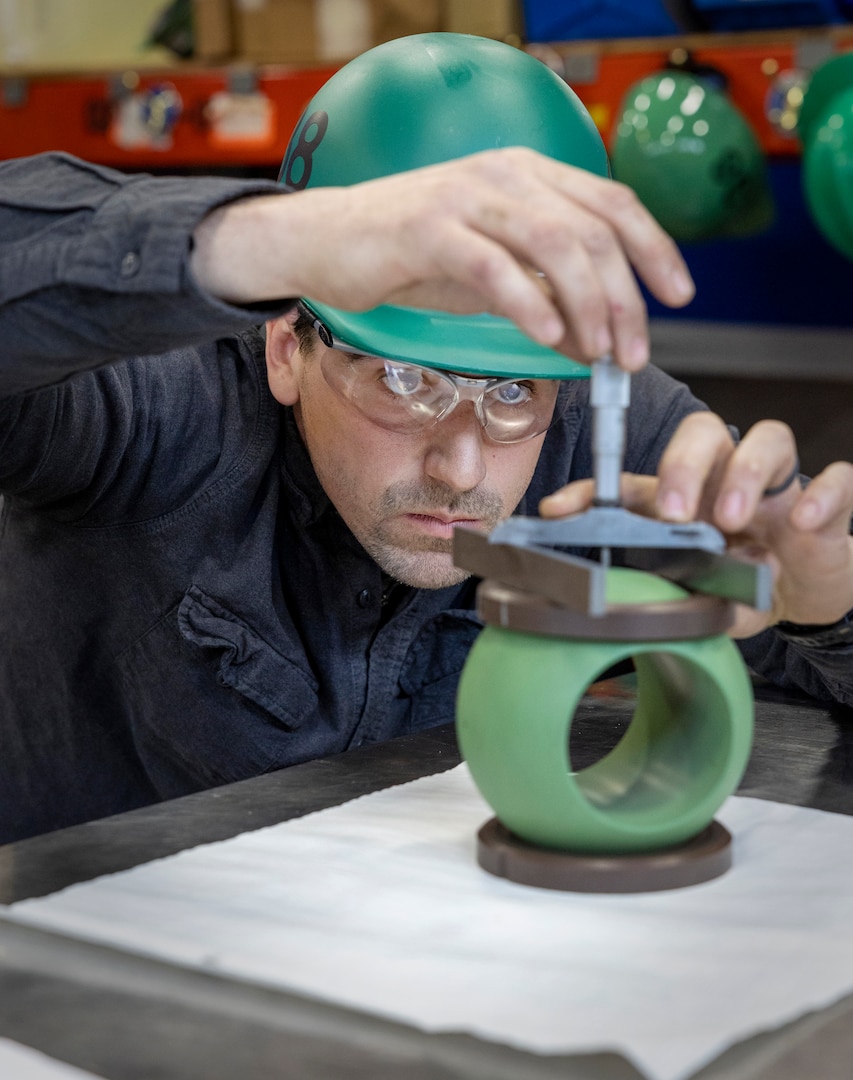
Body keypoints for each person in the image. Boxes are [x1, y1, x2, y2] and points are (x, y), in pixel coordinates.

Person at [1, 35, 851, 844]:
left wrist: (824, 605)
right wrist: (271, 240)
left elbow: (796, 624)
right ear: (287, 346)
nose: (463, 465)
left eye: (513, 390)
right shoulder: (154, 401)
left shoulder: (614, 444)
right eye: (404, 380)